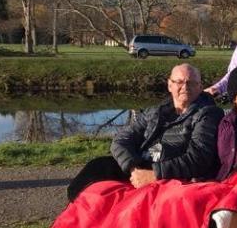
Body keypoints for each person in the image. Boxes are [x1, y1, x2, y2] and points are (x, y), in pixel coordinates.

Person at [67, 63, 223, 200]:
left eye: (191, 83)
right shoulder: (156, 111)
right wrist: (134, 168)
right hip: (141, 165)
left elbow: (198, 158)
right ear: (169, 85)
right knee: (95, 169)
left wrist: (154, 174)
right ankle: (75, 217)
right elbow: (121, 140)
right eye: (179, 82)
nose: (185, 87)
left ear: (200, 86)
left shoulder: (208, 114)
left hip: (171, 175)